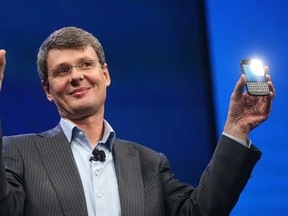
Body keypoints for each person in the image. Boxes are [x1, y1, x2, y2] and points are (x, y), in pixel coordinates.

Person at [0, 27, 275, 216]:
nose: (76, 76)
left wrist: (236, 130)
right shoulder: (18, 153)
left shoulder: (149, 164)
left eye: (86, 64)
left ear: (105, 75)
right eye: (62, 70)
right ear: (48, 90)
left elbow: (201, 211)